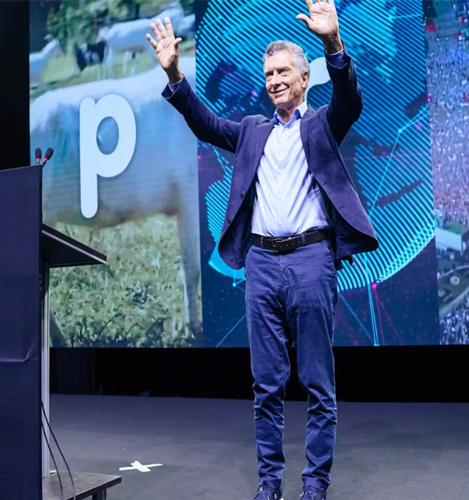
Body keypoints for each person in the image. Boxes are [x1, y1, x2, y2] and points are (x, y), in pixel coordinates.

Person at [146, 0, 377, 498]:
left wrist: (332, 41)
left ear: (304, 78)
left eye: (283, 72)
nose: (274, 80)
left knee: (317, 382)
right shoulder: (253, 130)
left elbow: (350, 98)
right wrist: (174, 74)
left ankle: (314, 485)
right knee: (267, 384)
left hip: (311, 260)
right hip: (262, 264)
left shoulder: (323, 123)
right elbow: (206, 124)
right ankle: (269, 485)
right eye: (269, 73)